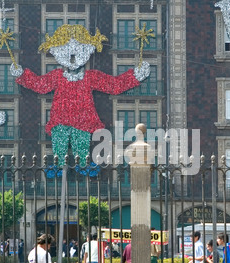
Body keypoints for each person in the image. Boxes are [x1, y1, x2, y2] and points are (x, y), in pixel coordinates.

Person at [10, 24, 149, 173]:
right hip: (60, 120)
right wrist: (22, 75)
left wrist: (134, 76)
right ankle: (59, 165)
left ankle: (82, 164)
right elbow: (40, 85)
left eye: (77, 52)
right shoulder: (57, 76)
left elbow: (113, 85)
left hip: (82, 121)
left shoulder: (90, 77)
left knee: (81, 146)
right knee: (59, 143)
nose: (72, 57)